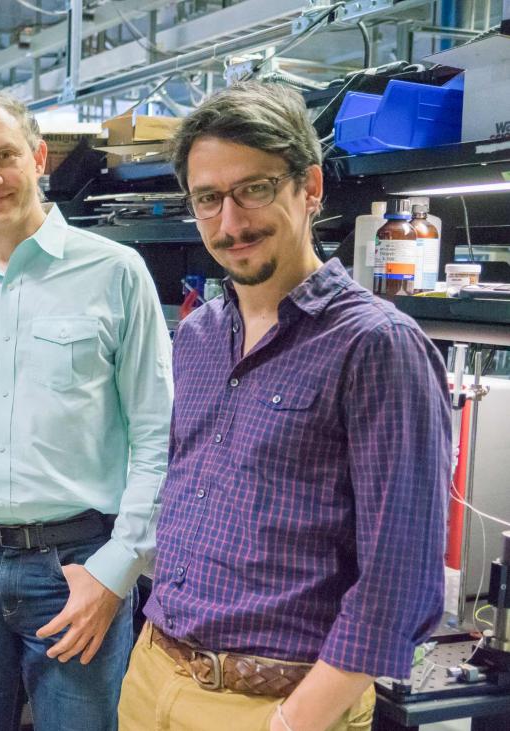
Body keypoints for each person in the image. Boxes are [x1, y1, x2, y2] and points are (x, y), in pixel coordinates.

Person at [118, 82, 449, 731]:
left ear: (310, 187)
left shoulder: (376, 345)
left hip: (276, 704)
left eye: (255, 189)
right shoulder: (200, 334)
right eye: (208, 198)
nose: (231, 223)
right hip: (153, 675)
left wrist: (294, 721)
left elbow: (400, 581)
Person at [0, 91, 172, 731]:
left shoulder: (115, 272)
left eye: (4, 157)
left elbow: (158, 433)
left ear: (38, 157)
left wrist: (117, 571)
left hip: (77, 566)